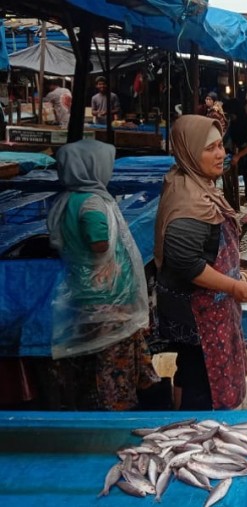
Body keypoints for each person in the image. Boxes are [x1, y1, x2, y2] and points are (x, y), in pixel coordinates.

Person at [154, 115, 247, 411]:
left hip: (201, 304)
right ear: (189, 151)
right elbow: (186, 262)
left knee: (190, 365)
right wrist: (233, 286)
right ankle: (197, 430)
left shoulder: (193, 181)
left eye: (220, 146)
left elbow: (207, 250)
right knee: (203, 378)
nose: (221, 154)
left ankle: (183, 417)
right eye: (210, 148)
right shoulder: (188, 202)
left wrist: (240, 273)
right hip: (197, 310)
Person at [46, 139, 160, 410]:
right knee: (112, 368)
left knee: (91, 365)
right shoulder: (92, 204)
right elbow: (99, 243)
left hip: (85, 295)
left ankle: (94, 415)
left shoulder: (67, 200)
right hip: (107, 298)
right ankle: (114, 421)